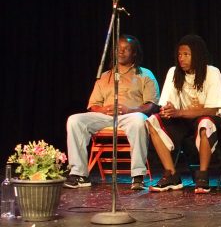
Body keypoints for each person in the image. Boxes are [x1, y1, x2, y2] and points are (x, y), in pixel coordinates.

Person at [65, 35, 160, 191]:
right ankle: (79, 174)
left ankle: (138, 176)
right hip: (105, 117)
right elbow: (93, 105)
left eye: (126, 49)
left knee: (139, 120)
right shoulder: (105, 76)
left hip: (130, 116)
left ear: (134, 53)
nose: (120, 52)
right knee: (74, 120)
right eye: (118, 49)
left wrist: (131, 110)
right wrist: (103, 109)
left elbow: (152, 105)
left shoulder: (145, 74)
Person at [147, 34, 221, 193]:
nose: (181, 58)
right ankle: (171, 174)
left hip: (210, 120)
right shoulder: (174, 72)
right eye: (179, 54)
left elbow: (212, 110)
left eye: (186, 54)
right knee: (152, 121)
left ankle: (203, 175)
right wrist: (167, 110)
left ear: (197, 55)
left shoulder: (211, 72)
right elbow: (167, 103)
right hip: (183, 121)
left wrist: (180, 112)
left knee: (205, 122)